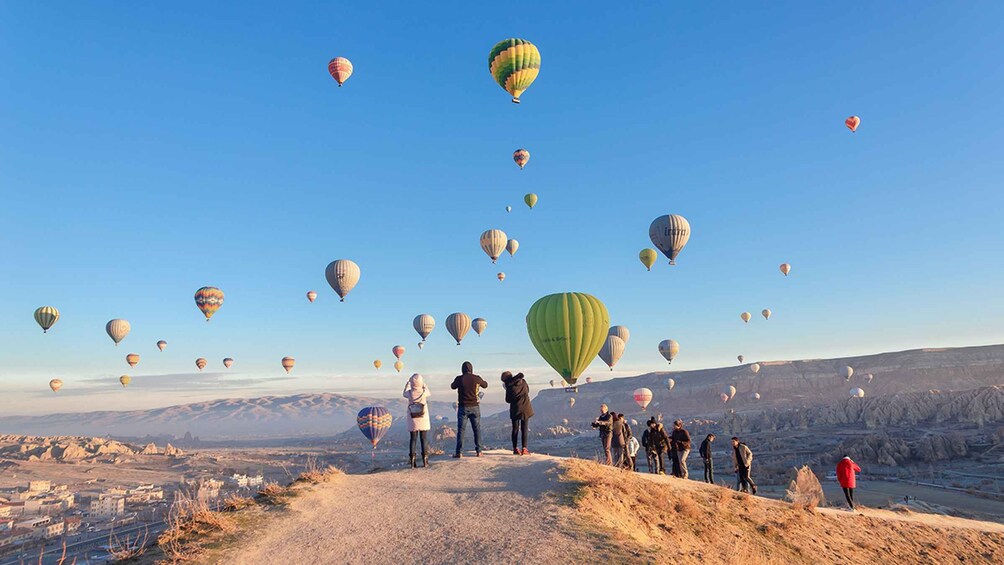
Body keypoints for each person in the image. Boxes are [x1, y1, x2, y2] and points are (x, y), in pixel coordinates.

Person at [451, 361, 488, 458]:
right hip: (475, 406)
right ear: (471, 369)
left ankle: (459, 452)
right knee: (477, 429)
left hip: (463, 407)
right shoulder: (477, 378)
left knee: (461, 430)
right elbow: (485, 385)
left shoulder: (459, 379)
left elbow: (452, 386)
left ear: (462, 369)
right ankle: (479, 451)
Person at [501, 371, 534, 455]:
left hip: (515, 409)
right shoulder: (523, 381)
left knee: (515, 429)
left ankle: (515, 448)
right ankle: (524, 448)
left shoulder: (509, 386)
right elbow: (528, 390)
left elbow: (508, 400)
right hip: (526, 407)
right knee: (524, 428)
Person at [403, 373, 431, 468]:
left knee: (413, 439)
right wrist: (424, 384)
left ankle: (412, 460)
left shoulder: (410, 393)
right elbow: (429, 392)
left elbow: (404, 393)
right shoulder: (424, 392)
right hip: (423, 418)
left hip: (413, 418)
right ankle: (425, 459)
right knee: (424, 439)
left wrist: (407, 384)